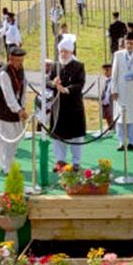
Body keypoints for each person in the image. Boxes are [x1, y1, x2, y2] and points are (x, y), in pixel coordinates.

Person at [49, 36, 87, 168]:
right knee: (58, 136)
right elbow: (48, 82)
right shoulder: (55, 66)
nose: (63, 54)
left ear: (71, 52)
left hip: (73, 107)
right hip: (59, 108)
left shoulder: (79, 66)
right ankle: (60, 160)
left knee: (76, 136)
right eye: (61, 52)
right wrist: (53, 83)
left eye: (66, 51)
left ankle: (76, 162)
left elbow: (80, 84)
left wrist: (66, 89)